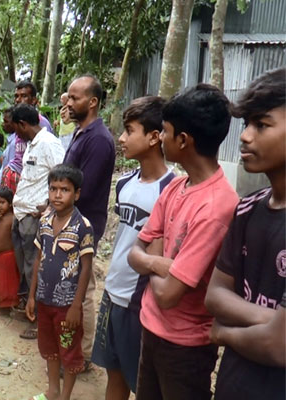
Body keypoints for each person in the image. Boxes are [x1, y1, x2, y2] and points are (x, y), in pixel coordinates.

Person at [127, 84, 239, 400]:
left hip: (185, 347)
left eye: (164, 131)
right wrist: (160, 262)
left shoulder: (217, 207)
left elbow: (167, 295)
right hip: (151, 330)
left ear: (183, 140)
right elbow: (135, 254)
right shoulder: (176, 187)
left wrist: (150, 252)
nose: (160, 138)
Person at [204, 67, 286, 400]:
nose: (245, 136)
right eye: (247, 124)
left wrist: (224, 332)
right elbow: (214, 296)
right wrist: (273, 320)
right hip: (233, 385)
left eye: (262, 125)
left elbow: (278, 347)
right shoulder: (247, 209)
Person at [91, 96, 174, 400]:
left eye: (129, 130)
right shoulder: (124, 184)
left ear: (154, 137)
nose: (122, 139)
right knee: (113, 372)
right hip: (113, 293)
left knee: (140, 378)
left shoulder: (171, 191)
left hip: (140, 302)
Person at [25, 164, 94, 400]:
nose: (57, 194)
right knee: (49, 348)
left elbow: (86, 268)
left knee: (69, 351)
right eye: (53, 188)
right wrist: (32, 296)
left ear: (76, 194)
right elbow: (38, 260)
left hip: (67, 307)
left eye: (64, 190)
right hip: (44, 301)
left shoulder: (82, 227)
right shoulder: (44, 222)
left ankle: (65, 396)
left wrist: (77, 305)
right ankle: (52, 390)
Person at [63, 74, 116, 367]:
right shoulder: (82, 131)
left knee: (82, 289)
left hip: (83, 225)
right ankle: (70, 347)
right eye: (68, 97)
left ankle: (81, 354)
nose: (68, 103)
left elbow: (86, 187)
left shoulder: (98, 139)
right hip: (69, 222)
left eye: (75, 98)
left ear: (92, 102)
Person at [11, 104, 65, 339]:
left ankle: (41, 321)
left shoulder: (49, 144)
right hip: (22, 214)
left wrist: (50, 206)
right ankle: (29, 309)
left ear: (23, 124)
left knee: (37, 269)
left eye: (15, 128)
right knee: (26, 267)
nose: (15, 134)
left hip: (35, 218)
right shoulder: (33, 145)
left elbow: (63, 176)